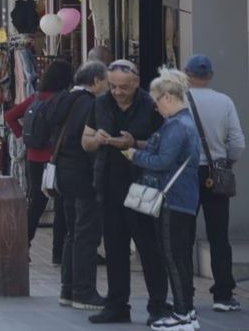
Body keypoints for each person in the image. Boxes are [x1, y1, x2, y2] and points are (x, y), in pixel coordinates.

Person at [81, 59, 170, 324]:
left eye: (124, 88)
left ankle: (158, 305)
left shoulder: (151, 105)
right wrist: (96, 140)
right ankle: (117, 304)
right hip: (109, 185)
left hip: (143, 184)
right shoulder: (99, 104)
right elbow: (84, 140)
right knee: (115, 248)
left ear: (136, 83)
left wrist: (135, 143)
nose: (118, 92)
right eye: (113, 87)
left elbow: (166, 145)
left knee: (149, 247)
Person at [131, 68, 202, 331]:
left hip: (173, 198)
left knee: (172, 257)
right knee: (180, 257)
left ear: (169, 97)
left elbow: (162, 161)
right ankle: (187, 311)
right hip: (183, 198)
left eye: (157, 101)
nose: (157, 108)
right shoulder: (186, 123)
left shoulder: (176, 126)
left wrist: (135, 156)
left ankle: (182, 313)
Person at [182, 54, 244, 313]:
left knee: (182, 234)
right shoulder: (224, 101)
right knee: (219, 235)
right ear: (210, 75)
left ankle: (184, 292)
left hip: (185, 172)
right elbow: (237, 142)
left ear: (185, 74)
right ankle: (223, 294)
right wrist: (228, 161)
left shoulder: (178, 100)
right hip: (216, 170)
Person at [3, 60, 72, 264]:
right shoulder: (64, 101)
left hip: (34, 158)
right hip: (55, 157)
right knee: (61, 203)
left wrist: (22, 138)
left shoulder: (35, 98)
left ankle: (23, 246)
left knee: (36, 203)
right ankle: (58, 252)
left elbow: (10, 116)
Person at [56, 60, 109, 311]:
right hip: (84, 176)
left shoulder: (62, 99)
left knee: (71, 233)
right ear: (96, 81)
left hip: (63, 173)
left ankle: (68, 289)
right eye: (106, 81)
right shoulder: (91, 104)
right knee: (86, 235)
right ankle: (84, 292)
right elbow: (89, 143)